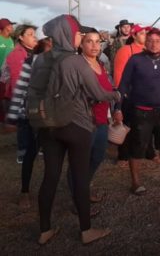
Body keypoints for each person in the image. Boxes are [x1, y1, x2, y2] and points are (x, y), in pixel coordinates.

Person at [37, 14, 120, 245]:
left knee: (50, 177)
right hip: (76, 125)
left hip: (48, 126)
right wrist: (117, 94)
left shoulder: (41, 59)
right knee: (81, 177)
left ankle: (44, 230)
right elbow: (98, 93)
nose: (81, 37)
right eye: (79, 33)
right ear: (67, 34)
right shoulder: (75, 61)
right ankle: (86, 231)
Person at [118, 28, 160, 195]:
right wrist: (117, 108)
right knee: (137, 149)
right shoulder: (135, 60)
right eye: (150, 40)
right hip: (140, 113)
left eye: (157, 41)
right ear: (145, 42)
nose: (153, 43)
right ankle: (135, 182)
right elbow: (123, 85)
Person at [67, 30, 122, 212]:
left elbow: (109, 88)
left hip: (101, 121)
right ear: (81, 45)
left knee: (97, 157)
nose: (94, 46)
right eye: (89, 41)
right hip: (83, 122)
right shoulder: (77, 65)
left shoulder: (101, 65)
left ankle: (83, 188)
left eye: (97, 41)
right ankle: (78, 198)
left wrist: (115, 109)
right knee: (79, 162)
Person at [5, 25, 39, 208]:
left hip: (42, 113)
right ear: (20, 38)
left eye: (35, 35)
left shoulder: (36, 56)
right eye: (30, 35)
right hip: (27, 112)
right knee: (29, 152)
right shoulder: (19, 56)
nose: (35, 38)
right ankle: (24, 191)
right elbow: (20, 87)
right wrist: (12, 117)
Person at [113, 24, 149, 167]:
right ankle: (123, 155)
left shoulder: (147, 51)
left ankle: (146, 152)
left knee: (143, 126)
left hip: (144, 95)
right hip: (128, 95)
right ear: (134, 35)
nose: (145, 36)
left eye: (145, 33)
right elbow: (118, 74)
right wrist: (121, 94)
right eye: (142, 33)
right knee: (126, 126)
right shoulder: (125, 50)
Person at [0, 18, 16, 123]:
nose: (12, 27)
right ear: (4, 27)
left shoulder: (10, 40)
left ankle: (6, 120)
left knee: (6, 96)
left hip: (8, 73)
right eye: (10, 25)